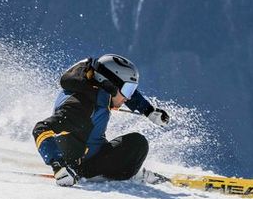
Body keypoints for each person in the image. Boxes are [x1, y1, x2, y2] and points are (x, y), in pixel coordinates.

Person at [32, 54, 171, 186]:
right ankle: (111, 174)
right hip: (80, 165)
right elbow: (41, 129)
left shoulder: (96, 85)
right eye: (128, 89)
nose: (128, 97)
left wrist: (148, 110)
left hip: (91, 150)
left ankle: (116, 170)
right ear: (110, 86)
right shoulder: (81, 105)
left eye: (131, 89)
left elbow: (121, 89)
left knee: (133, 145)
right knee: (137, 144)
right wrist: (58, 167)